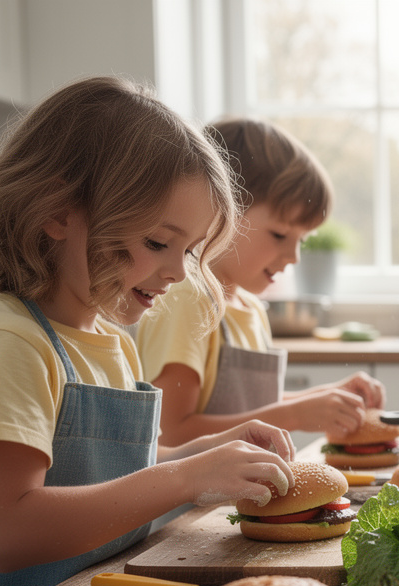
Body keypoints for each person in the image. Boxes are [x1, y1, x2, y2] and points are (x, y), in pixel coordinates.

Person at [0, 77, 298, 586]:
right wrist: (185, 479)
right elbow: (6, 530)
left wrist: (206, 458)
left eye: (190, 250)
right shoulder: (6, 343)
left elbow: (118, 478)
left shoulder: (110, 340)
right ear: (57, 213)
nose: (178, 271)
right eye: (159, 242)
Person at [137, 117, 383, 447]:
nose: (294, 256)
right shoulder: (188, 297)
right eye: (280, 234)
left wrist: (328, 398)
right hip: (195, 500)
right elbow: (170, 433)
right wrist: (295, 414)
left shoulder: (250, 307)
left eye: (302, 240)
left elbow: (248, 408)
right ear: (220, 212)